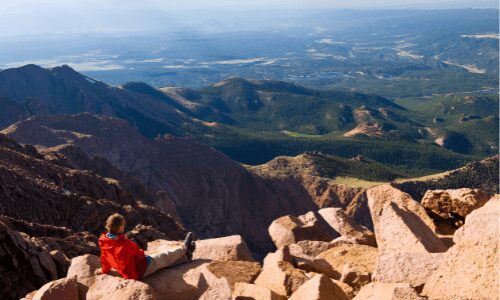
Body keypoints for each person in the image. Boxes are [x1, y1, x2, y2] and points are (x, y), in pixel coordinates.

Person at [97, 213, 195, 279]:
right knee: (164, 256)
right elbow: (126, 267)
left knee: (161, 260)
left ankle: (186, 256)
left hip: (138, 262)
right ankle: (184, 248)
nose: (124, 227)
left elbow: (104, 257)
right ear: (119, 228)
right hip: (141, 268)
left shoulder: (104, 240)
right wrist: (132, 279)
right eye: (123, 225)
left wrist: (105, 270)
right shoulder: (122, 245)